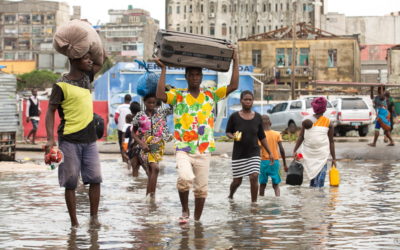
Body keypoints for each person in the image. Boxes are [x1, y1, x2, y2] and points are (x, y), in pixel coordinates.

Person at [154, 46, 239, 223]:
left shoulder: (210, 95)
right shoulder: (178, 96)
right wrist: (164, 70)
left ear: (201, 77)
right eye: (191, 75)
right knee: (185, 178)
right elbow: (160, 94)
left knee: (201, 189)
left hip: (204, 148)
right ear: (186, 77)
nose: (194, 78)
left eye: (197, 75)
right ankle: (185, 210)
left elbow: (233, 86)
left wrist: (235, 60)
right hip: (183, 147)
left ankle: (197, 220)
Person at [45, 53, 103, 228]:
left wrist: (88, 40)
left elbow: (101, 59)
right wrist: (50, 139)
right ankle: (74, 224)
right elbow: (50, 111)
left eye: (89, 58)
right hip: (69, 139)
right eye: (85, 58)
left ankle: (94, 219)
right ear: (73, 60)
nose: (89, 61)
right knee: (70, 182)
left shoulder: (87, 78)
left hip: (90, 139)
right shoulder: (60, 85)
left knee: (95, 179)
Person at [226, 90, 274, 203]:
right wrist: (232, 136)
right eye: (245, 99)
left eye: (250, 99)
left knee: (254, 176)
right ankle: (231, 195)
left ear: (253, 101)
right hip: (239, 154)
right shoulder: (234, 117)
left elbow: (262, 136)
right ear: (241, 101)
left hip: (254, 152)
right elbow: (228, 131)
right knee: (237, 182)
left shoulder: (258, 117)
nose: (248, 101)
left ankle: (254, 204)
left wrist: (270, 152)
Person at [131, 93, 172, 200]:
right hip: (145, 148)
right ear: (144, 102)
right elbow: (133, 133)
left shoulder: (161, 113)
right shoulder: (139, 116)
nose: (151, 105)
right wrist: (141, 143)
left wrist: (168, 92)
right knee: (155, 168)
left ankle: (148, 199)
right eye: (149, 102)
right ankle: (152, 197)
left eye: (153, 103)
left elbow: (173, 107)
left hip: (158, 148)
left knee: (151, 173)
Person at [293, 97, 336, 188]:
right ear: (324, 109)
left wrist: (295, 150)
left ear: (313, 108)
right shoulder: (328, 122)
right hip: (322, 156)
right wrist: (334, 158)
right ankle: (318, 199)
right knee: (319, 184)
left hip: (309, 155)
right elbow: (331, 142)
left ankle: (313, 199)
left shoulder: (307, 121)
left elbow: (301, 137)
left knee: (313, 181)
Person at [259, 115, 287, 197]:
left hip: (263, 162)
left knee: (262, 185)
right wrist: (285, 164)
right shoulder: (277, 134)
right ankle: (278, 199)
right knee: (276, 185)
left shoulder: (259, 135)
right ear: (270, 123)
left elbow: (258, 151)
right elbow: (282, 150)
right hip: (275, 162)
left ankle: (260, 202)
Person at [126, 101, 143, 176]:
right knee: (147, 169)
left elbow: (126, 138)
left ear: (130, 109)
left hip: (133, 148)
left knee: (135, 169)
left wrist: (125, 150)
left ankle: (135, 186)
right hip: (143, 146)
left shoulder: (130, 120)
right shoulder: (143, 118)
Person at [115, 94, 132, 159]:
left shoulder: (120, 107)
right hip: (130, 127)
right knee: (128, 141)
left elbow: (116, 117)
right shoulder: (131, 106)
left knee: (121, 142)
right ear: (130, 100)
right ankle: (128, 155)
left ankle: (123, 156)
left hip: (121, 128)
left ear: (124, 99)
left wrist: (118, 124)